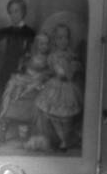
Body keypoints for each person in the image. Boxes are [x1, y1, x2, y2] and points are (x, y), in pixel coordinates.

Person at [0, 0, 34, 131]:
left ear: (23, 12)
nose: (13, 15)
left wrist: (26, 61)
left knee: (13, 92)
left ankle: (7, 122)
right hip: (7, 65)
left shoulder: (30, 32)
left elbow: (32, 51)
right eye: (11, 12)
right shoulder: (8, 30)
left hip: (22, 67)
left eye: (16, 11)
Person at [0, 33, 51, 145]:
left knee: (22, 89)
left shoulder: (48, 59)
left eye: (47, 44)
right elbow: (23, 69)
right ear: (37, 45)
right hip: (26, 80)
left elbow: (48, 73)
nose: (44, 46)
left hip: (36, 82)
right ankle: (1, 123)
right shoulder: (29, 56)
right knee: (11, 87)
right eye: (42, 44)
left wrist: (38, 78)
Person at [31, 23, 84, 152]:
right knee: (52, 115)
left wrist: (75, 66)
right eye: (60, 38)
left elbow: (75, 70)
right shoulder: (53, 56)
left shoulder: (72, 55)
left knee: (67, 117)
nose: (63, 41)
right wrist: (70, 68)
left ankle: (65, 139)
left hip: (69, 89)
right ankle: (63, 140)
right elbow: (61, 74)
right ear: (55, 40)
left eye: (66, 37)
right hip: (56, 86)